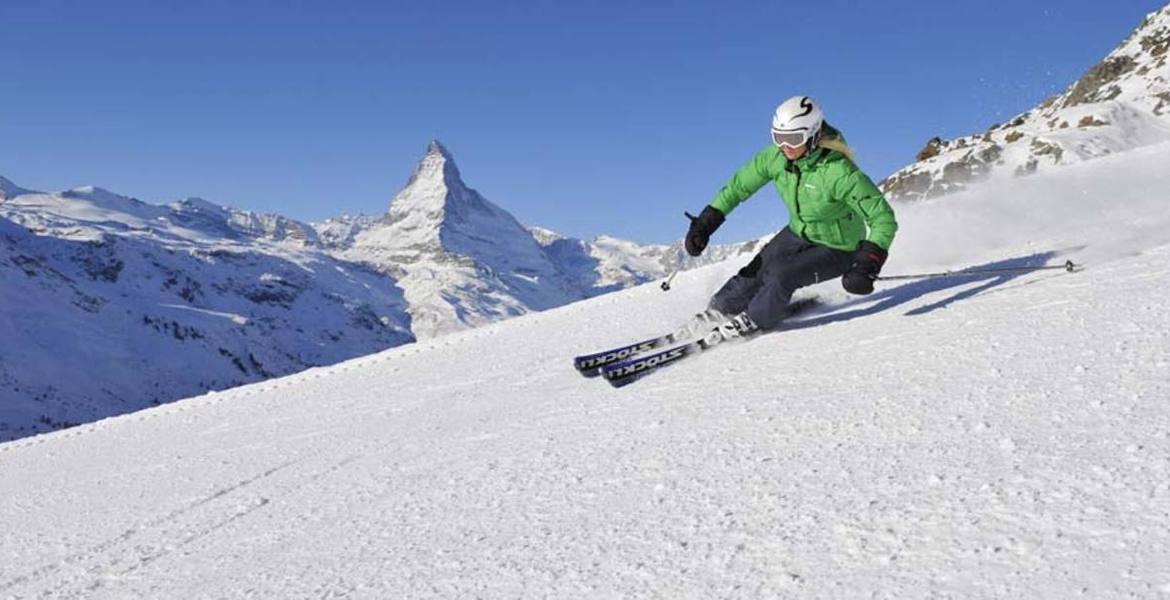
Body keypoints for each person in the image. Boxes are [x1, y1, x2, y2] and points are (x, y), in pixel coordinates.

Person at [683, 95, 898, 338]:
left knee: (781, 275)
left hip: (840, 247)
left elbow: (883, 218)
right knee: (756, 270)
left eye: (794, 139)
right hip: (798, 232)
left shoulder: (839, 173)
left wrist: (868, 262)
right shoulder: (776, 158)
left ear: (814, 134)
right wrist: (706, 222)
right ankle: (720, 310)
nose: (785, 146)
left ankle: (754, 319)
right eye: (779, 138)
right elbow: (738, 187)